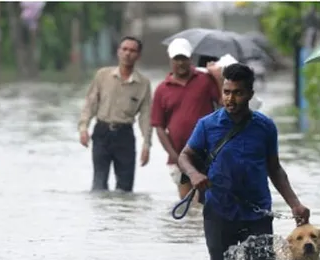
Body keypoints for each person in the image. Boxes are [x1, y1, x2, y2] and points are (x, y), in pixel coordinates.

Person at [177, 63, 311, 260]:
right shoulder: (207, 125)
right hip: (219, 212)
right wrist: (194, 174)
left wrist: (295, 204)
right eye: (226, 92)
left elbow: (274, 168)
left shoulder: (265, 127)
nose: (230, 99)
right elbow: (184, 156)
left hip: (257, 213)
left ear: (250, 94)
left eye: (238, 93)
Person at [78, 36, 152, 192]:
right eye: (124, 49)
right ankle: (102, 216)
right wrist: (83, 127)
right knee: (99, 184)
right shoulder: (103, 75)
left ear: (138, 56)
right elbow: (90, 103)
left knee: (125, 188)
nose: (127, 54)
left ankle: (122, 215)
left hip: (125, 135)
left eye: (132, 51)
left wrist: (146, 144)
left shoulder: (143, 83)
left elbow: (146, 115)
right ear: (118, 52)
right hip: (102, 132)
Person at [150, 38, 221, 200]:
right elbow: (159, 126)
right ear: (170, 60)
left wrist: (217, 77)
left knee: (205, 202)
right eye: (177, 59)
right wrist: (174, 156)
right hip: (178, 156)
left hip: (207, 153)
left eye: (184, 58)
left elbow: (223, 104)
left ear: (190, 59)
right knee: (187, 204)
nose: (180, 63)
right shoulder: (162, 89)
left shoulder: (205, 80)